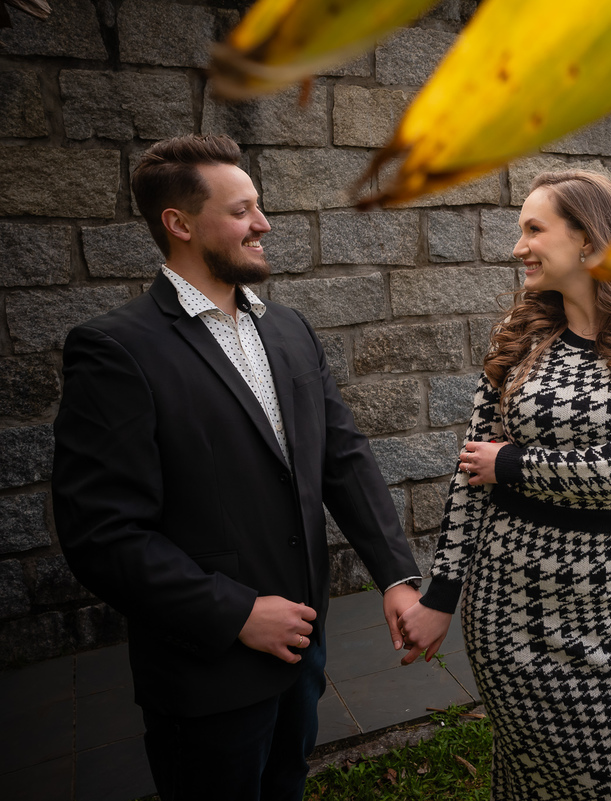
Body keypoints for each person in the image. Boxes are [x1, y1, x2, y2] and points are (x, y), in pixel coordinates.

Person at [52, 133, 423, 801]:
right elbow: (100, 534)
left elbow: (343, 457)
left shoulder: (290, 329)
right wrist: (237, 612)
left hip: (304, 657)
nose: (264, 223)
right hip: (206, 675)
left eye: (259, 206)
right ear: (181, 223)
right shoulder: (114, 350)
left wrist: (395, 573)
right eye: (243, 209)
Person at [398, 170, 611, 800]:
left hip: (609, 604)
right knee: (528, 781)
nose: (518, 246)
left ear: (588, 240)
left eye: (534, 229)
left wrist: (515, 465)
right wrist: (441, 595)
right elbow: (469, 474)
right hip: (506, 602)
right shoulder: (521, 338)